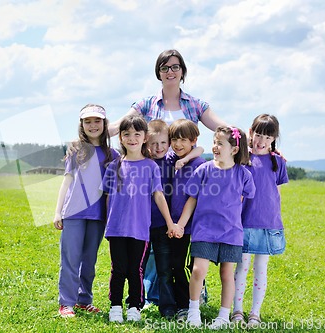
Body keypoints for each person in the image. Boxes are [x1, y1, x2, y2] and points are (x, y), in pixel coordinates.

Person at [100, 115, 181, 323]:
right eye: (127, 134)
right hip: (116, 229)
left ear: (145, 137)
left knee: (136, 269)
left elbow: (159, 196)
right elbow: (108, 199)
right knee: (118, 269)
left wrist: (170, 222)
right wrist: (106, 225)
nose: (132, 138)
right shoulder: (113, 166)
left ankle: (135, 306)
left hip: (139, 229)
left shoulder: (150, 167)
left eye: (137, 134)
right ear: (120, 137)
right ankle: (115, 305)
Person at [177, 126, 256, 329]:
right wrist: (181, 224)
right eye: (214, 142)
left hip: (231, 233)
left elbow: (241, 199)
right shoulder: (203, 169)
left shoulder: (243, 174)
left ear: (234, 150)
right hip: (204, 230)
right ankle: (193, 312)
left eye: (220, 143)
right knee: (197, 271)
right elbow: (192, 199)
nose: (215, 147)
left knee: (226, 275)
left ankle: (223, 317)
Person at [108, 49, 226, 169]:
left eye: (175, 67)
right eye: (164, 68)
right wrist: (93, 132)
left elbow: (225, 129)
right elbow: (119, 126)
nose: (170, 72)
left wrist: (243, 138)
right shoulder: (146, 104)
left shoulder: (196, 105)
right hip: (155, 171)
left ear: (182, 71)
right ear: (158, 73)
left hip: (186, 171)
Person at [53, 104, 119, 318]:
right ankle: (66, 303)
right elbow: (66, 182)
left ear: (104, 124)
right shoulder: (76, 150)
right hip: (73, 213)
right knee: (71, 259)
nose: (93, 125)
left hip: (98, 215)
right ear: (81, 125)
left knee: (89, 261)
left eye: (97, 121)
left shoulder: (113, 154)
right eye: (87, 121)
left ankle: (84, 300)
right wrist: (57, 212)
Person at [232, 114, 289, 328]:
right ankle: (237, 311)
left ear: (274, 138)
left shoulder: (278, 161)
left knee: (261, 268)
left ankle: (255, 313)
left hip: (268, 222)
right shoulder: (243, 158)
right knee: (241, 268)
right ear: (251, 132)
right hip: (244, 221)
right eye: (258, 134)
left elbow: (277, 194)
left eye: (267, 136)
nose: (261, 140)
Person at [166, 119, 207, 321]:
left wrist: (181, 224)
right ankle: (183, 302)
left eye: (183, 139)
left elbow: (201, 149)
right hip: (174, 223)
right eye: (174, 139)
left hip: (193, 225)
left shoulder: (199, 164)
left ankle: (190, 301)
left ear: (192, 140)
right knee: (176, 263)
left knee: (191, 265)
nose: (178, 144)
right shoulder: (171, 158)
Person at [145, 119, 173, 317]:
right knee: (141, 266)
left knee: (164, 268)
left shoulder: (172, 161)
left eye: (163, 143)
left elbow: (198, 149)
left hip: (164, 223)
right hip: (143, 224)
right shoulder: (143, 162)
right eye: (154, 143)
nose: (159, 148)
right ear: (146, 143)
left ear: (169, 142)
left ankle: (168, 306)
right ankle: (140, 301)